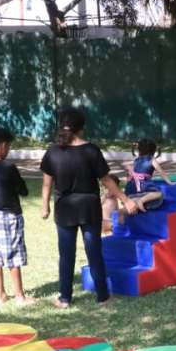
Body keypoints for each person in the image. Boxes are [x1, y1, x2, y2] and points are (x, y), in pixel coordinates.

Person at [41, 106, 138, 308]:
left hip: (65, 209)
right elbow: (107, 181)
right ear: (81, 128)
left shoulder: (53, 151)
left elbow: (47, 183)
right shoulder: (91, 150)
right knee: (94, 252)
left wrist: (45, 207)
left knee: (66, 254)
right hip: (89, 208)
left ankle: (65, 298)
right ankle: (103, 296)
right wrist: (125, 199)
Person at [0, 126, 32, 305]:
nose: (8, 150)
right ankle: (19, 296)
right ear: (2, 145)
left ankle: (1, 295)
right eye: (8, 146)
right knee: (13, 255)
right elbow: (23, 190)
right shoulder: (9, 167)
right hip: (11, 216)